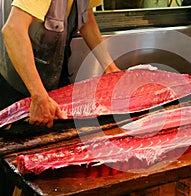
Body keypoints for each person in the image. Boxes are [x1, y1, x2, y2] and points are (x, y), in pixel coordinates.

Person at [0, 0, 121, 129]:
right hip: (18, 82)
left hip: (53, 76)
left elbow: (87, 20)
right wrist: (39, 96)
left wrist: (110, 67)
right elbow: (12, 29)